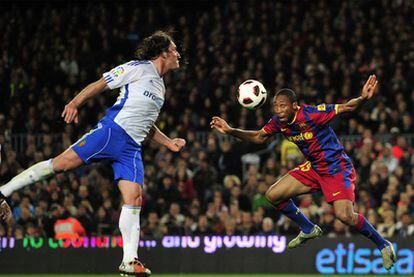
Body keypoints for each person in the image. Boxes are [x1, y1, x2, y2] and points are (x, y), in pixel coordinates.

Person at [0, 30, 185, 276]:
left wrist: (168, 142)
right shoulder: (138, 68)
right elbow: (100, 84)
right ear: (163, 52)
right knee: (61, 165)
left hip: (131, 147)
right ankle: (3, 191)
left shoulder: (160, 87)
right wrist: (75, 103)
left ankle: (129, 261)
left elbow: (146, 122)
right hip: (112, 133)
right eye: (174, 49)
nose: (178, 53)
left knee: (134, 198)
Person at [210, 75, 396, 270]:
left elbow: (347, 107)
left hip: (336, 168)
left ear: (294, 106)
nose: (279, 110)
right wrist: (230, 130)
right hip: (315, 167)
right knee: (272, 195)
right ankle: (307, 228)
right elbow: (259, 137)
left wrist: (363, 98)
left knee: (345, 216)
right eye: (276, 106)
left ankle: (383, 244)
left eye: (283, 106)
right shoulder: (278, 122)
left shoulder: (312, 114)